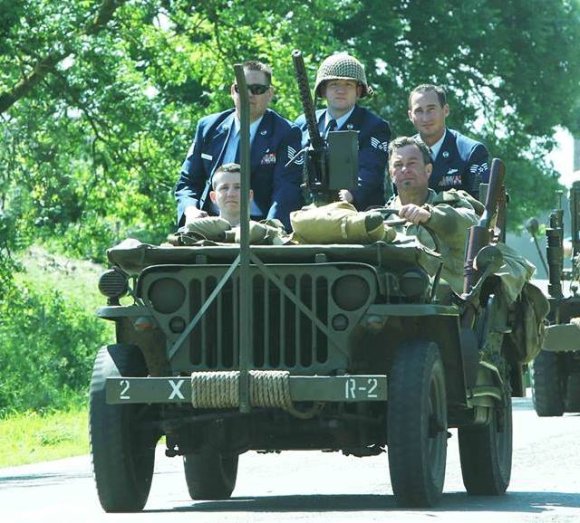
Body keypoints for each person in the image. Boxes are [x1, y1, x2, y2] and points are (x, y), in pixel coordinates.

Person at [175, 60, 303, 231]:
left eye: (257, 89)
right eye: (241, 88)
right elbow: (188, 181)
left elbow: (286, 189)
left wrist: (270, 229)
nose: (248, 94)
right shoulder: (208, 127)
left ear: (270, 94)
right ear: (232, 91)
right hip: (208, 224)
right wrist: (190, 211)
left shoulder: (285, 132)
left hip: (259, 226)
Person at [295, 53, 392, 210]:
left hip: (357, 212)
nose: (341, 90)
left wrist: (351, 193)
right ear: (323, 90)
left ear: (359, 91)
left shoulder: (373, 126)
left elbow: (371, 169)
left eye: (348, 85)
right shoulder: (303, 124)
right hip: (309, 210)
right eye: (334, 84)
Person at [386, 136, 479, 294]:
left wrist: (431, 216)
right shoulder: (381, 219)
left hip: (447, 306)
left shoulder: (450, 204)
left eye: (412, 163)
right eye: (398, 165)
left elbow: (471, 226)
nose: (405, 170)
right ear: (391, 173)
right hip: (391, 304)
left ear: (428, 170)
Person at [408, 84, 490, 199]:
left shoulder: (470, 152)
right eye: (419, 111)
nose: (425, 118)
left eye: (431, 109)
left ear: (445, 110)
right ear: (410, 116)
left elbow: (484, 204)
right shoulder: (403, 153)